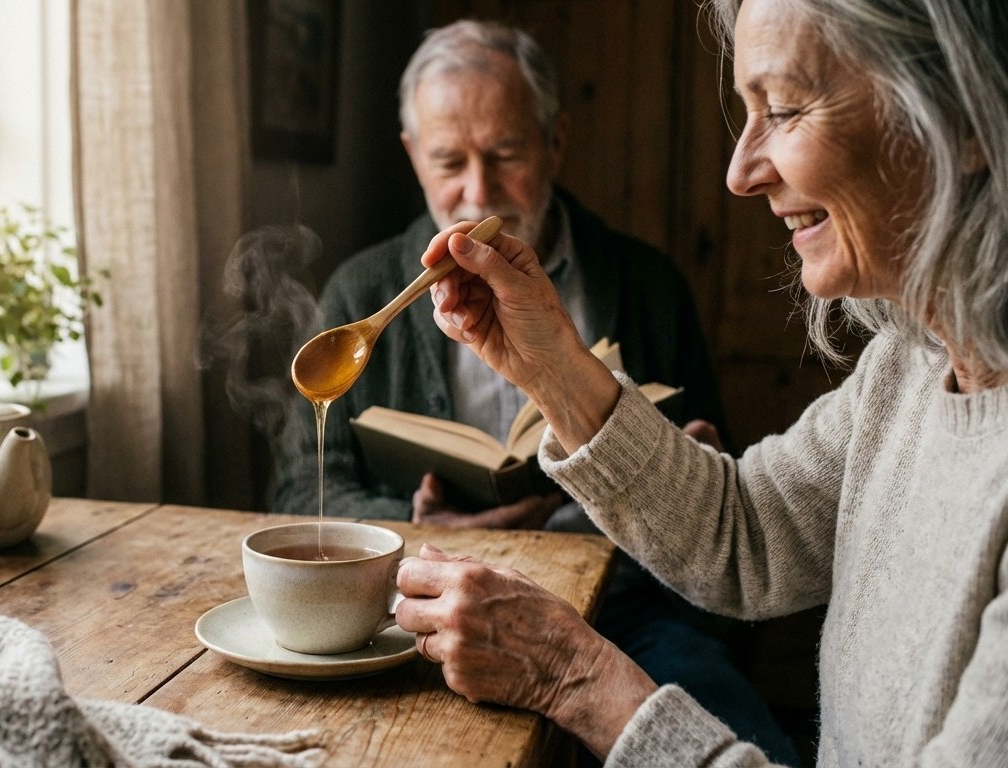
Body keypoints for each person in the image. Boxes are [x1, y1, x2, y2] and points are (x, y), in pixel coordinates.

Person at [396, 0, 1008, 765]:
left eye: (782, 109)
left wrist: (576, 679)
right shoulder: (907, 368)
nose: (740, 172)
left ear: (965, 118)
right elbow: (744, 535)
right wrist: (547, 364)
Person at [271, 19, 799, 765]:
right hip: (419, 620)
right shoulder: (360, 291)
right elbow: (299, 491)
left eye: (507, 153)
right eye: (448, 160)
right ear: (411, 156)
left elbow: (725, 513)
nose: (477, 190)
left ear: (554, 142)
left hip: (630, 611)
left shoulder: (645, 285)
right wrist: (430, 534)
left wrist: (691, 465)